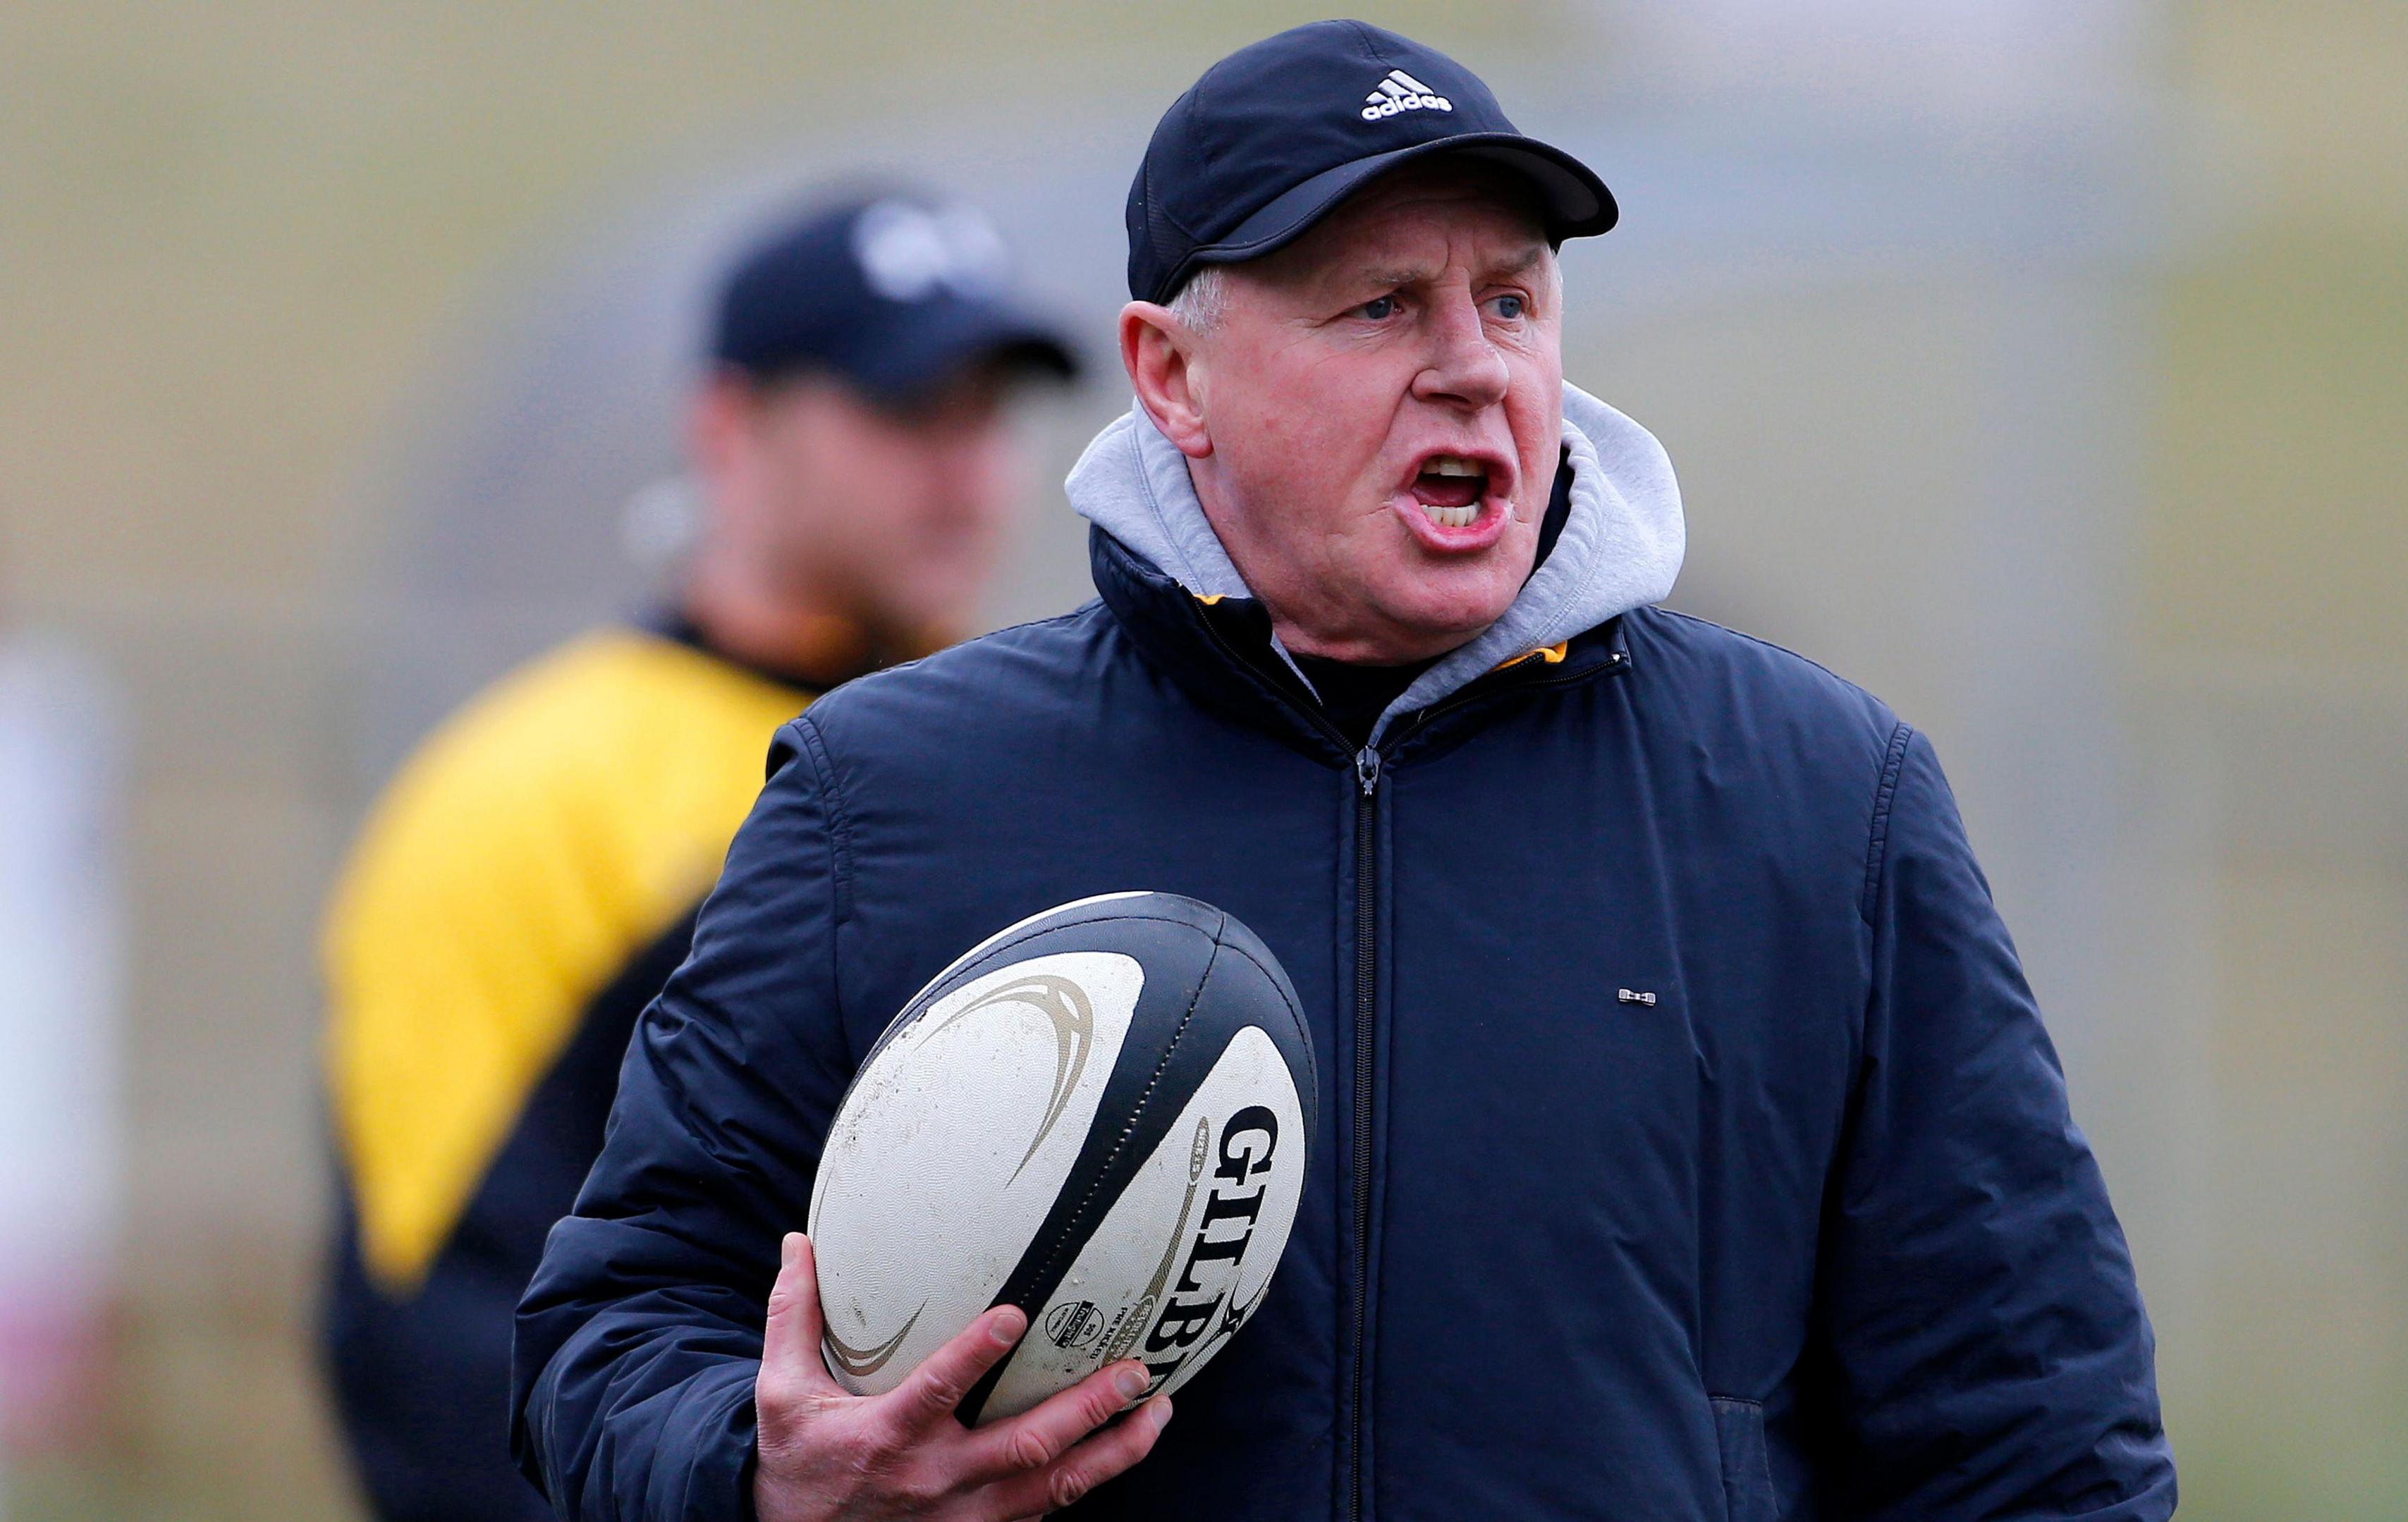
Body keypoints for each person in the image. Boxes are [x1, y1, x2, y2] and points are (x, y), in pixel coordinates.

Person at [515, 22, 2178, 1522]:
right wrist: (766, 1472)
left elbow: (2034, 1435)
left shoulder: (1824, 803)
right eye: (1379, 306)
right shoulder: (891, 796)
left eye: (1511, 299)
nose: (1473, 365)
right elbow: (616, 1327)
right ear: (1173, 376)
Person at [320, 188, 1076, 1522]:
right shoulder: (528, 790)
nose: (966, 470)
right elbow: (434, 1319)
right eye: (906, 413)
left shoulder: (1011, 768)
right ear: (729, 428)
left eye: (987, 416)